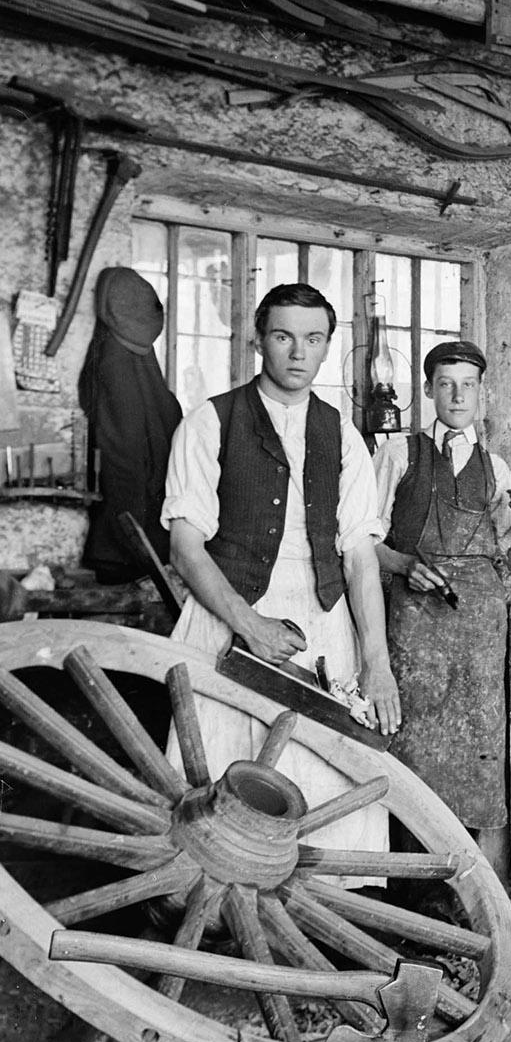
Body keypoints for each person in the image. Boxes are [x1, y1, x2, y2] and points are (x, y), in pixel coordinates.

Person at [163, 282, 398, 855]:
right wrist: (248, 624)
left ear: (326, 347)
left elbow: (359, 554)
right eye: (284, 337)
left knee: (322, 775)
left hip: (322, 620)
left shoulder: (341, 433)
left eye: (313, 339)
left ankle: (315, 915)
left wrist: (377, 661)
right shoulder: (209, 422)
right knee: (217, 774)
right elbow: (185, 548)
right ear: (259, 341)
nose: (298, 353)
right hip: (230, 609)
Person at [373, 339, 511, 881]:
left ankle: (467, 887)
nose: (457, 395)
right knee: (412, 753)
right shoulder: (399, 454)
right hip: (415, 625)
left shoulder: (497, 467)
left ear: (482, 393)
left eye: (468, 384)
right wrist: (402, 566)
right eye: (446, 384)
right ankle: (411, 888)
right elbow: (362, 541)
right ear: (428, 390)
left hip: (480, 633)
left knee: (477, 758)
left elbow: (510, 561)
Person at [80, 267, 182, 587]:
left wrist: (124, 538)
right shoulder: (145, 364)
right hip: (158, 539)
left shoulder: (110, 360)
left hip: (125, 545)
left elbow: (121, 455)